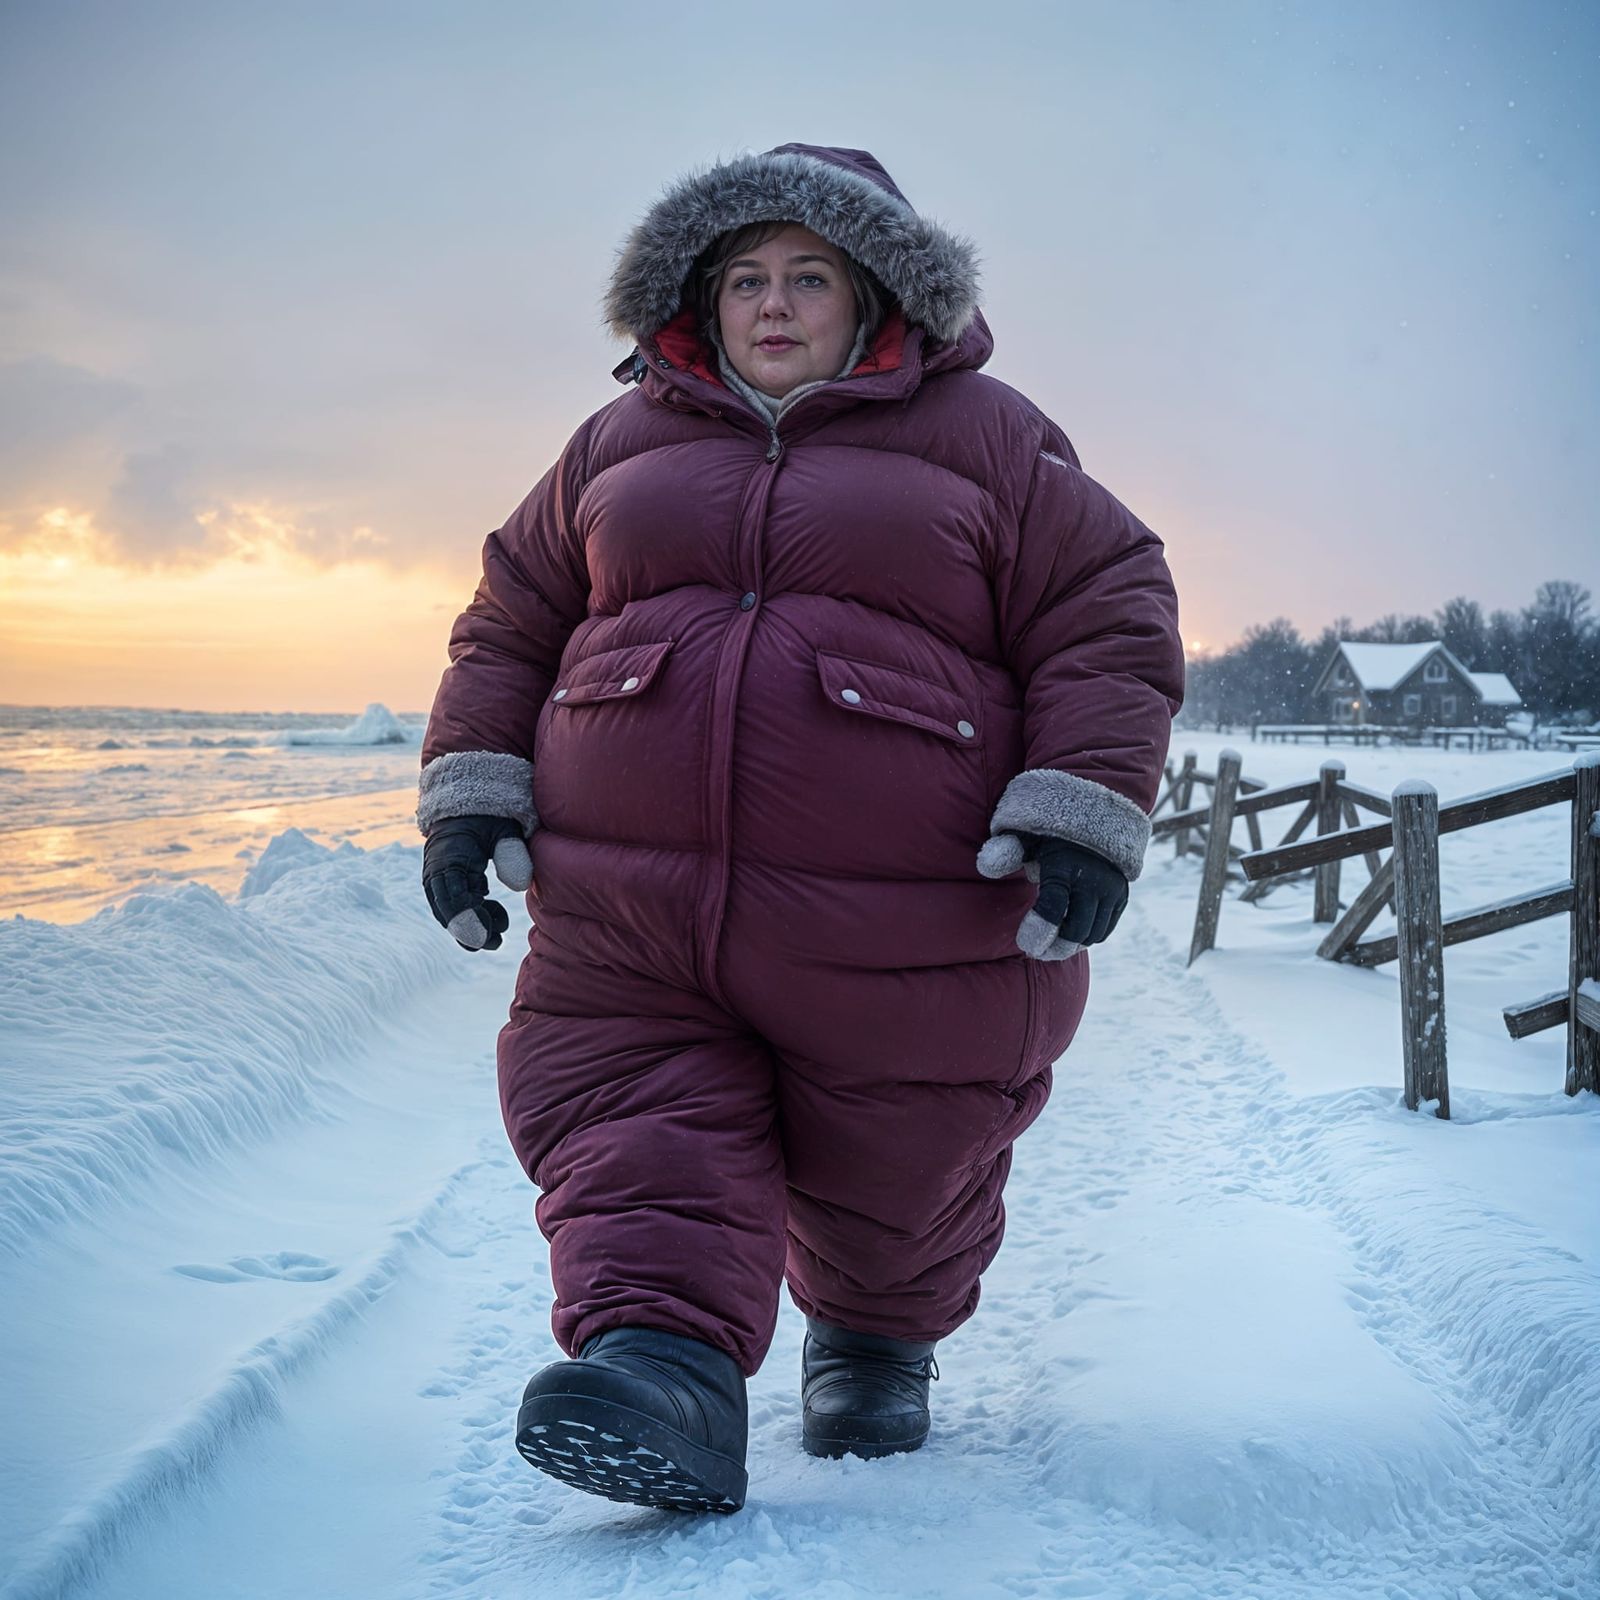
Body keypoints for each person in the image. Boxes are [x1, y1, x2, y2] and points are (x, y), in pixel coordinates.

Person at [417, 143, 1184, 1514]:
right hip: (631, 913)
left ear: (874, 292)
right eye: (744, 279)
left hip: (909, 913)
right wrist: (472, 790)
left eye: (809, 277)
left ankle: (878, 1334)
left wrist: (1084, 807)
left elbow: (1107, 613)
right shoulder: (613, 444)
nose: (773, 305)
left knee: (904, 1159)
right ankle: (663, 1372)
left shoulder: (992, 437)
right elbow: (512, 618)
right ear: (699, 302)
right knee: (632, 1123)